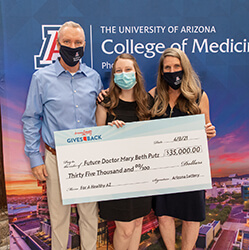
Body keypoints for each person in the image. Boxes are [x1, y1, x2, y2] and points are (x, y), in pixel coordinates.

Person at [22, 21, 103, 250]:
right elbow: (31, 118)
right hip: (55, 158)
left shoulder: (94, 78)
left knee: (89, 216)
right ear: (58, 45)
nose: (73, 46)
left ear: (85, 45)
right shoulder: (41, 78)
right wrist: (35, 159)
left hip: (87, 158)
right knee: (58, 220)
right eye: (67, 42)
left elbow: (100, 115)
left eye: (78, 42)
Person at [149, 47, 216, 250]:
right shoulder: (152, 96)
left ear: (184, 68)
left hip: (191, 169)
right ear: (161, 72)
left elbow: (206, 131)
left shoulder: (199, 96)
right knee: (164, 214)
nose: (172, 71)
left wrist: (209, 132)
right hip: (162, 169)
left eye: (176, 66)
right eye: (167, 67)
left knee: (191, 216)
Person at [95, 53, 153, 250]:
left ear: (136, 72)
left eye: (128, 69)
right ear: (113, 76)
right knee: (125, 229)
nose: (123, 74)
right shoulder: (106, 103)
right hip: (116, 178)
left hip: (141, 175)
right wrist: (110, 131)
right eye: (118, 71)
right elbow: (96, 141)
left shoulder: (148, 102)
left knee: (138, 223)